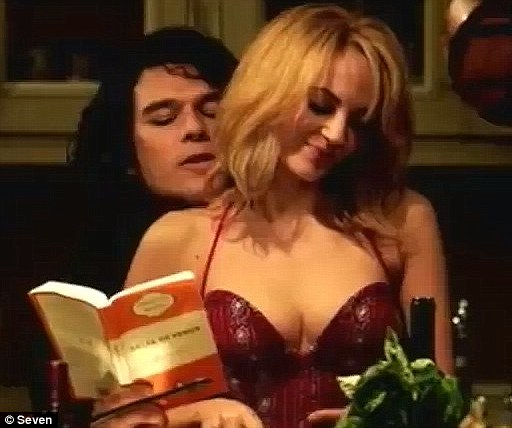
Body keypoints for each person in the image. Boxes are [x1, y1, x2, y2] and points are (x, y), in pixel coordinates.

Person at [120, 4, 453, 427]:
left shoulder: (400, 222)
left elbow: (444, 405)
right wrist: (202, 412)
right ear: (268, 93)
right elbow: (123, 417)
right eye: (320, 106)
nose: (337, 134)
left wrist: (378, 419)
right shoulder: (179, 239)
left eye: (358, 121)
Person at [25, 26, 238, 416]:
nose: (195, 129)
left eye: (212, 111)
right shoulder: (91, 265)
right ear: (126, 150)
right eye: (164, 118)